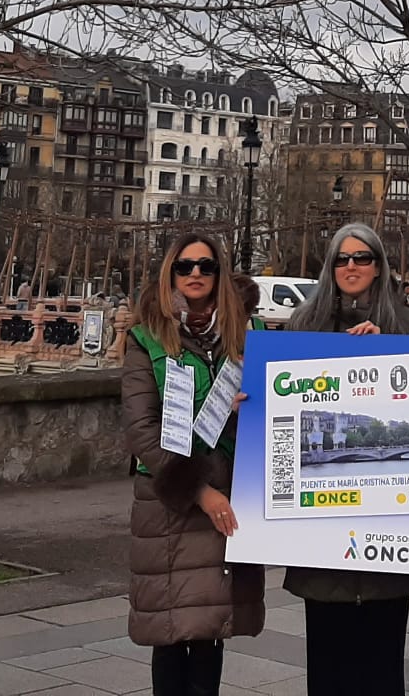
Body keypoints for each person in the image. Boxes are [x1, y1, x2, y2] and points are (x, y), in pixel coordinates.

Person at [283, 224, 409, 696]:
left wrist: (386, 352)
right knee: (327, 667)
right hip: (321, 534)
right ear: (330, 267)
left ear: (379, 266)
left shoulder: (407, 326)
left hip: (389, 535)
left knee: (383, 666)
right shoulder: (302, 326)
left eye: (362, 257)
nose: (351, 266)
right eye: (341, 259)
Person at [121, 230, 264, 696]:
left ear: (220, 273)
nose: (195, 273)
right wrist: (199, 492)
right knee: (170, 633)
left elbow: (284, 407)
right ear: (171, 273)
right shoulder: (146, 336)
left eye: (206, 266)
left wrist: (250, 412)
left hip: (231, 496)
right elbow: (141, 429)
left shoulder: (251, 335)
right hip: (172, 503)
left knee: (210, 630)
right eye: (185, 266)